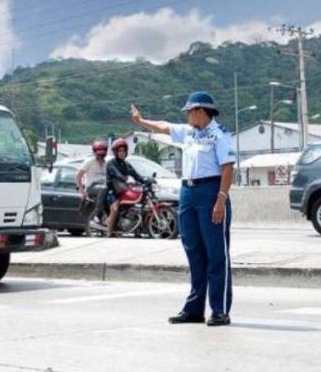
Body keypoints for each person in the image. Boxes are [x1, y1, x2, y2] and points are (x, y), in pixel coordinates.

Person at [131, 92, 235, 327]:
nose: (187, 115)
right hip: (188, 192)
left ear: (200, 111)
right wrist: (141, 121)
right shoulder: (188, 131)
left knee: (216, 254)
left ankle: (219, 310)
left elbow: (228, 169)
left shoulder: (219, 135)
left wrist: (221, 200)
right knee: (194, 251)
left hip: (211, 191)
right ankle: (194, 309)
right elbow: (165, 127)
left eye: (189, 111)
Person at [105, 138, 145, 237]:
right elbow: (117, 174)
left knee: (134, 206)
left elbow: (135, 174)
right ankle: (109, 231)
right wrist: (126, 179)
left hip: (122, 190)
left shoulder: (126, 164)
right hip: (112, 191)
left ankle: (135, 229)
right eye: (120, 151)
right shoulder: (111, 163)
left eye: (123, 151)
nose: (122, 153)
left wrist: (145, 181)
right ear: (115, 152)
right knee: (115, 208)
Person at [76, 140, 109, 228]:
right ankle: (97, 215)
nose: (101, 157)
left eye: (103, 155)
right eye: (99, 155)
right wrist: (82, 192)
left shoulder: (106, 163)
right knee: (104, 188)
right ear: (94, 153)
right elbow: (78, 176)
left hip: (103, 186)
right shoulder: (89, 162)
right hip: (92, 186)